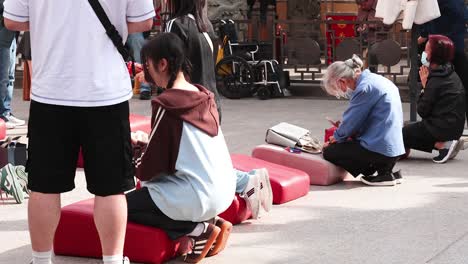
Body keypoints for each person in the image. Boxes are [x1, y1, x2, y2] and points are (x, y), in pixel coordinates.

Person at [3, 0, 154, 263]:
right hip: (105, 91)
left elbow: (12, 20)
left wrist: (49, 25)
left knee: (44, 185)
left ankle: (40, 260)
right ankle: (113, 261)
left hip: (51, 89)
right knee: (111, 188)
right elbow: (144, 21)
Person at [128, 32, 235, 263]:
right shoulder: (203, 95)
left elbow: (150, 168)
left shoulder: (167, 104)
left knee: (123, 207)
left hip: (197, 197)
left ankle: (197, 228)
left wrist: (134, 154)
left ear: (162, 64)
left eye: (148, 66)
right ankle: (211, 221)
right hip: (225, 191)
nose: (147, 73)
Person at [321, 55, 405, 186]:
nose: (343, 92)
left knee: (330, 152)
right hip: (394, 146)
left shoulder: (364, 88)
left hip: (380, 147)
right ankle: (385, 172)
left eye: (338, 88)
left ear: (342, 81)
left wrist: (335, 138)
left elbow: (351, 122)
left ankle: (371, 168)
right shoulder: (376, 79)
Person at [403, 35, 466, 164]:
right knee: (409, 129)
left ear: (435, 55)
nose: (423, 54)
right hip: (452, 126)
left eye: (426, 50)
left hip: (440, 128)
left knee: (399, 134)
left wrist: (425, 86)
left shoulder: (436, 78)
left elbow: (423, 111)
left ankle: (442, 145)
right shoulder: (448, 70)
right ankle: (446, 143)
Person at [165, 0, 222, 122]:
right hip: (212, 105)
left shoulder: (175, 24)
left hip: (187, 106)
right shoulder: (207, 26)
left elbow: (168, 71)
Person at [418, 0, 467, 123]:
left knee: (434, 86)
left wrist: (423, 35)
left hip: (440, 48)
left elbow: (427, 16)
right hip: (455, 46)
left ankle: (437, 125)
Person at [0, 0, 25, 129]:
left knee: (10, 75)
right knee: (3, 76)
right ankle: (2, 115)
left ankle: (6, 111)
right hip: (4, 25)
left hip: (11, 29)